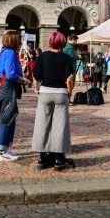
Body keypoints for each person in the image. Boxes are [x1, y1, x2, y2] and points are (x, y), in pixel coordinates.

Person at [31, 31, 75, 171]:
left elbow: (36, 76)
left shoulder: (42, 56)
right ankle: (58, 159)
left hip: (45, 92)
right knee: (59, 126)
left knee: (42, 124)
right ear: (62, 43)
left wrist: (37, 90)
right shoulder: (66, 57)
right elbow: (69, 79)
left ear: (50, 42)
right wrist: (70, 92)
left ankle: (42, 158)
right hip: (61, 93)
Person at [0, 30, 31, 162]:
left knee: (9, 116)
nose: (21, 43)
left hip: (4, 88)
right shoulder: (10, 53)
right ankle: (2, 152)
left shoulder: (4, 52)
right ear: (15, 41)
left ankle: (6, 148)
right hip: (8, 88)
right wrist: (24, 80)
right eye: (20, 41)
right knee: (7, 118)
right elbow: (11, 74)